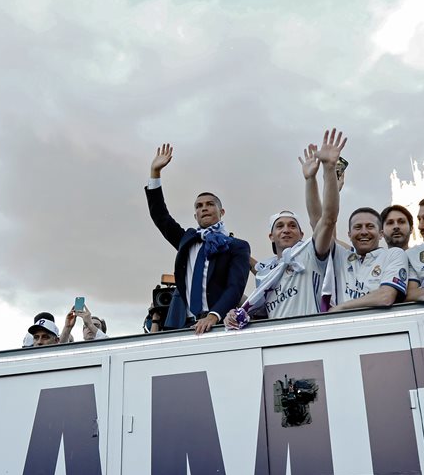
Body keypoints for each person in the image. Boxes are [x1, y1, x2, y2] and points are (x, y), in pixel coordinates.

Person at [226, 129, 344, 327]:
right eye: (279, 226)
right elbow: (258, 308)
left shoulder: (311, 254)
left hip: (313, 334)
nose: (286, 229)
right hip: (280, 341)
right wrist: (234, 313)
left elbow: (327, 220)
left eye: (292, 225)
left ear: (302, 234)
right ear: (271, 236)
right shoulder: (265, 272)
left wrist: (318, 176)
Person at [145, 144, 251, 334]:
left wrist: (214, 315)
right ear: (195, 215)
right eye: (199, 206)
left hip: (218, 324)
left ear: (221, 211)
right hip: (182, 325)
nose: (204, 208)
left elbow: (235, 287)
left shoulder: (237, 246)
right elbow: (160, 216)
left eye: (210, 204)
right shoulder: (186, 240)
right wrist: (155, 173)